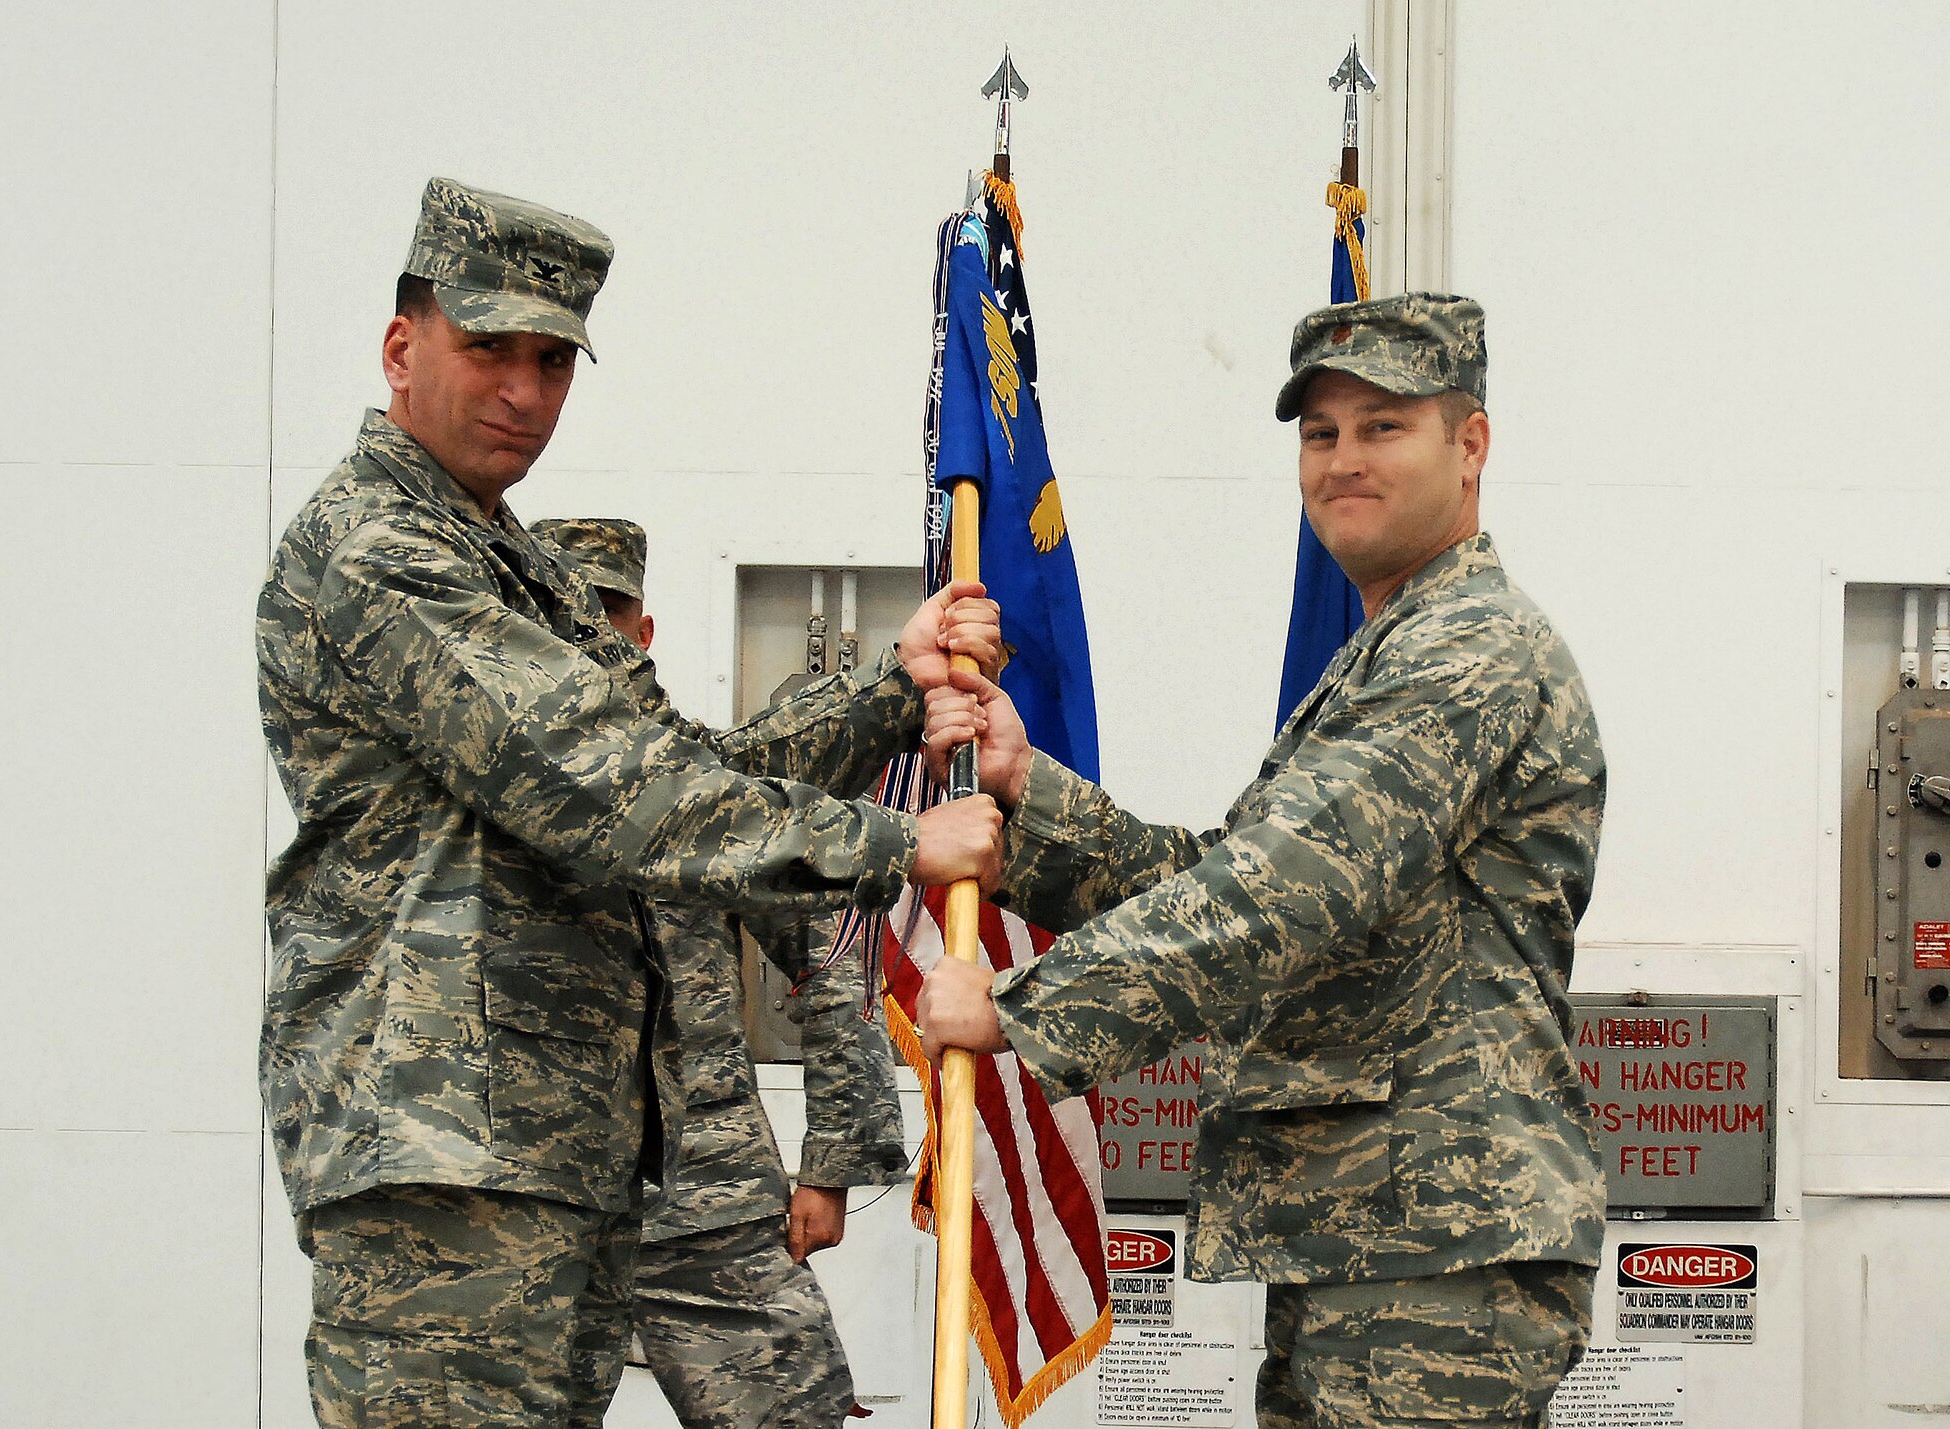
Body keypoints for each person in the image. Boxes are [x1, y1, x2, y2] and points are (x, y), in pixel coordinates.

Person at [258, 176, 1003, 1429]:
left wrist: (891, 685)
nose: (522, 391)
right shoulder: (380, 551)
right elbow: (599, 784)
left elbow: (675, 756)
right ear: (402, 346)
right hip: (446, 1165)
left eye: (551, 360)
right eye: (487, 346)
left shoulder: (518, 560)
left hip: (556, 1156)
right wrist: (892, 843)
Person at [916, 292, 1607, 1428]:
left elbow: (1284, 889)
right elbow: (1230, 869)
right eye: (1318, 431)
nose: (1341, 459)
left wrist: (1020, 1006)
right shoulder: (1390, 648)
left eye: (1382, 425)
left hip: (1436, 1246)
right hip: (1371, 1233)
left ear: (1468, 442)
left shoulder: (1468, 650)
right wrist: (1023, 791)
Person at [532, 516, 908, 1428]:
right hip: (541, 1195)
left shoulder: (705, 787)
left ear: (643, 632)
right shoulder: (492, 787)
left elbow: (833, 958)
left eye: (606, 614)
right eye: (561, 615)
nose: (585, 638)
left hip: (709, 1205)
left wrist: (831, 1163)